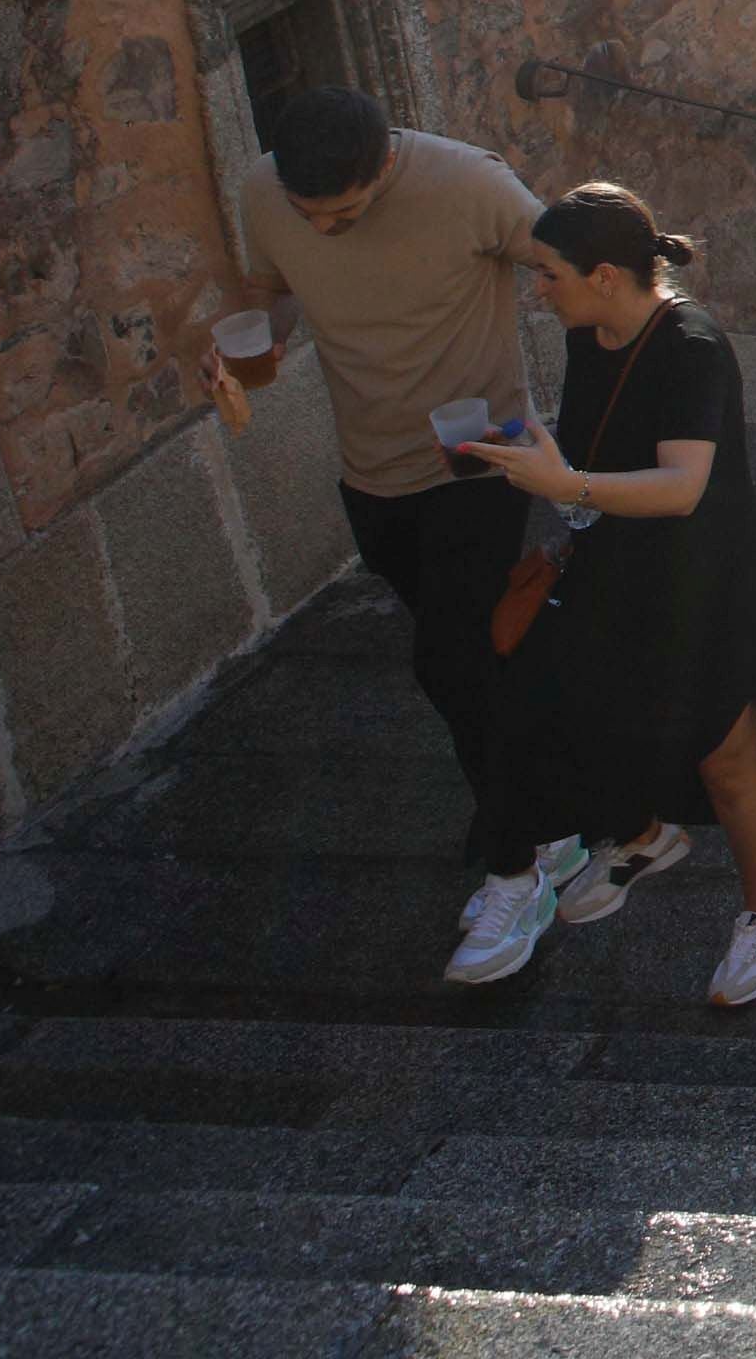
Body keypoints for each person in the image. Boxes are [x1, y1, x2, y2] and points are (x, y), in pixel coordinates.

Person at [204, 86, 563, 981]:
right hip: (372, 473)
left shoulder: (466, 182)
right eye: (311, 214)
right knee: (479, 654)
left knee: (449, 660)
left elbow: (565, 263)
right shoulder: (262, 191)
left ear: (387, 167)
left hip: (479, 459)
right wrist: (252, 345)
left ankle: (517, 875)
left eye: (348, 214)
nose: (326, 230)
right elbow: (273, 287)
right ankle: (557, 808)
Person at [459, 184, 756, 1008]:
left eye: (548, 275)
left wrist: (568, 483)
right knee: (583, 704)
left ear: (601, 273)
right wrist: (531, 454)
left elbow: (682, 486)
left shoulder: (691, 346)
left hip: (713, 579)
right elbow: (598, 447)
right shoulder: (594, 332)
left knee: (730, 758)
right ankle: (643, 834)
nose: (538, 290)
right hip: (619, 565)